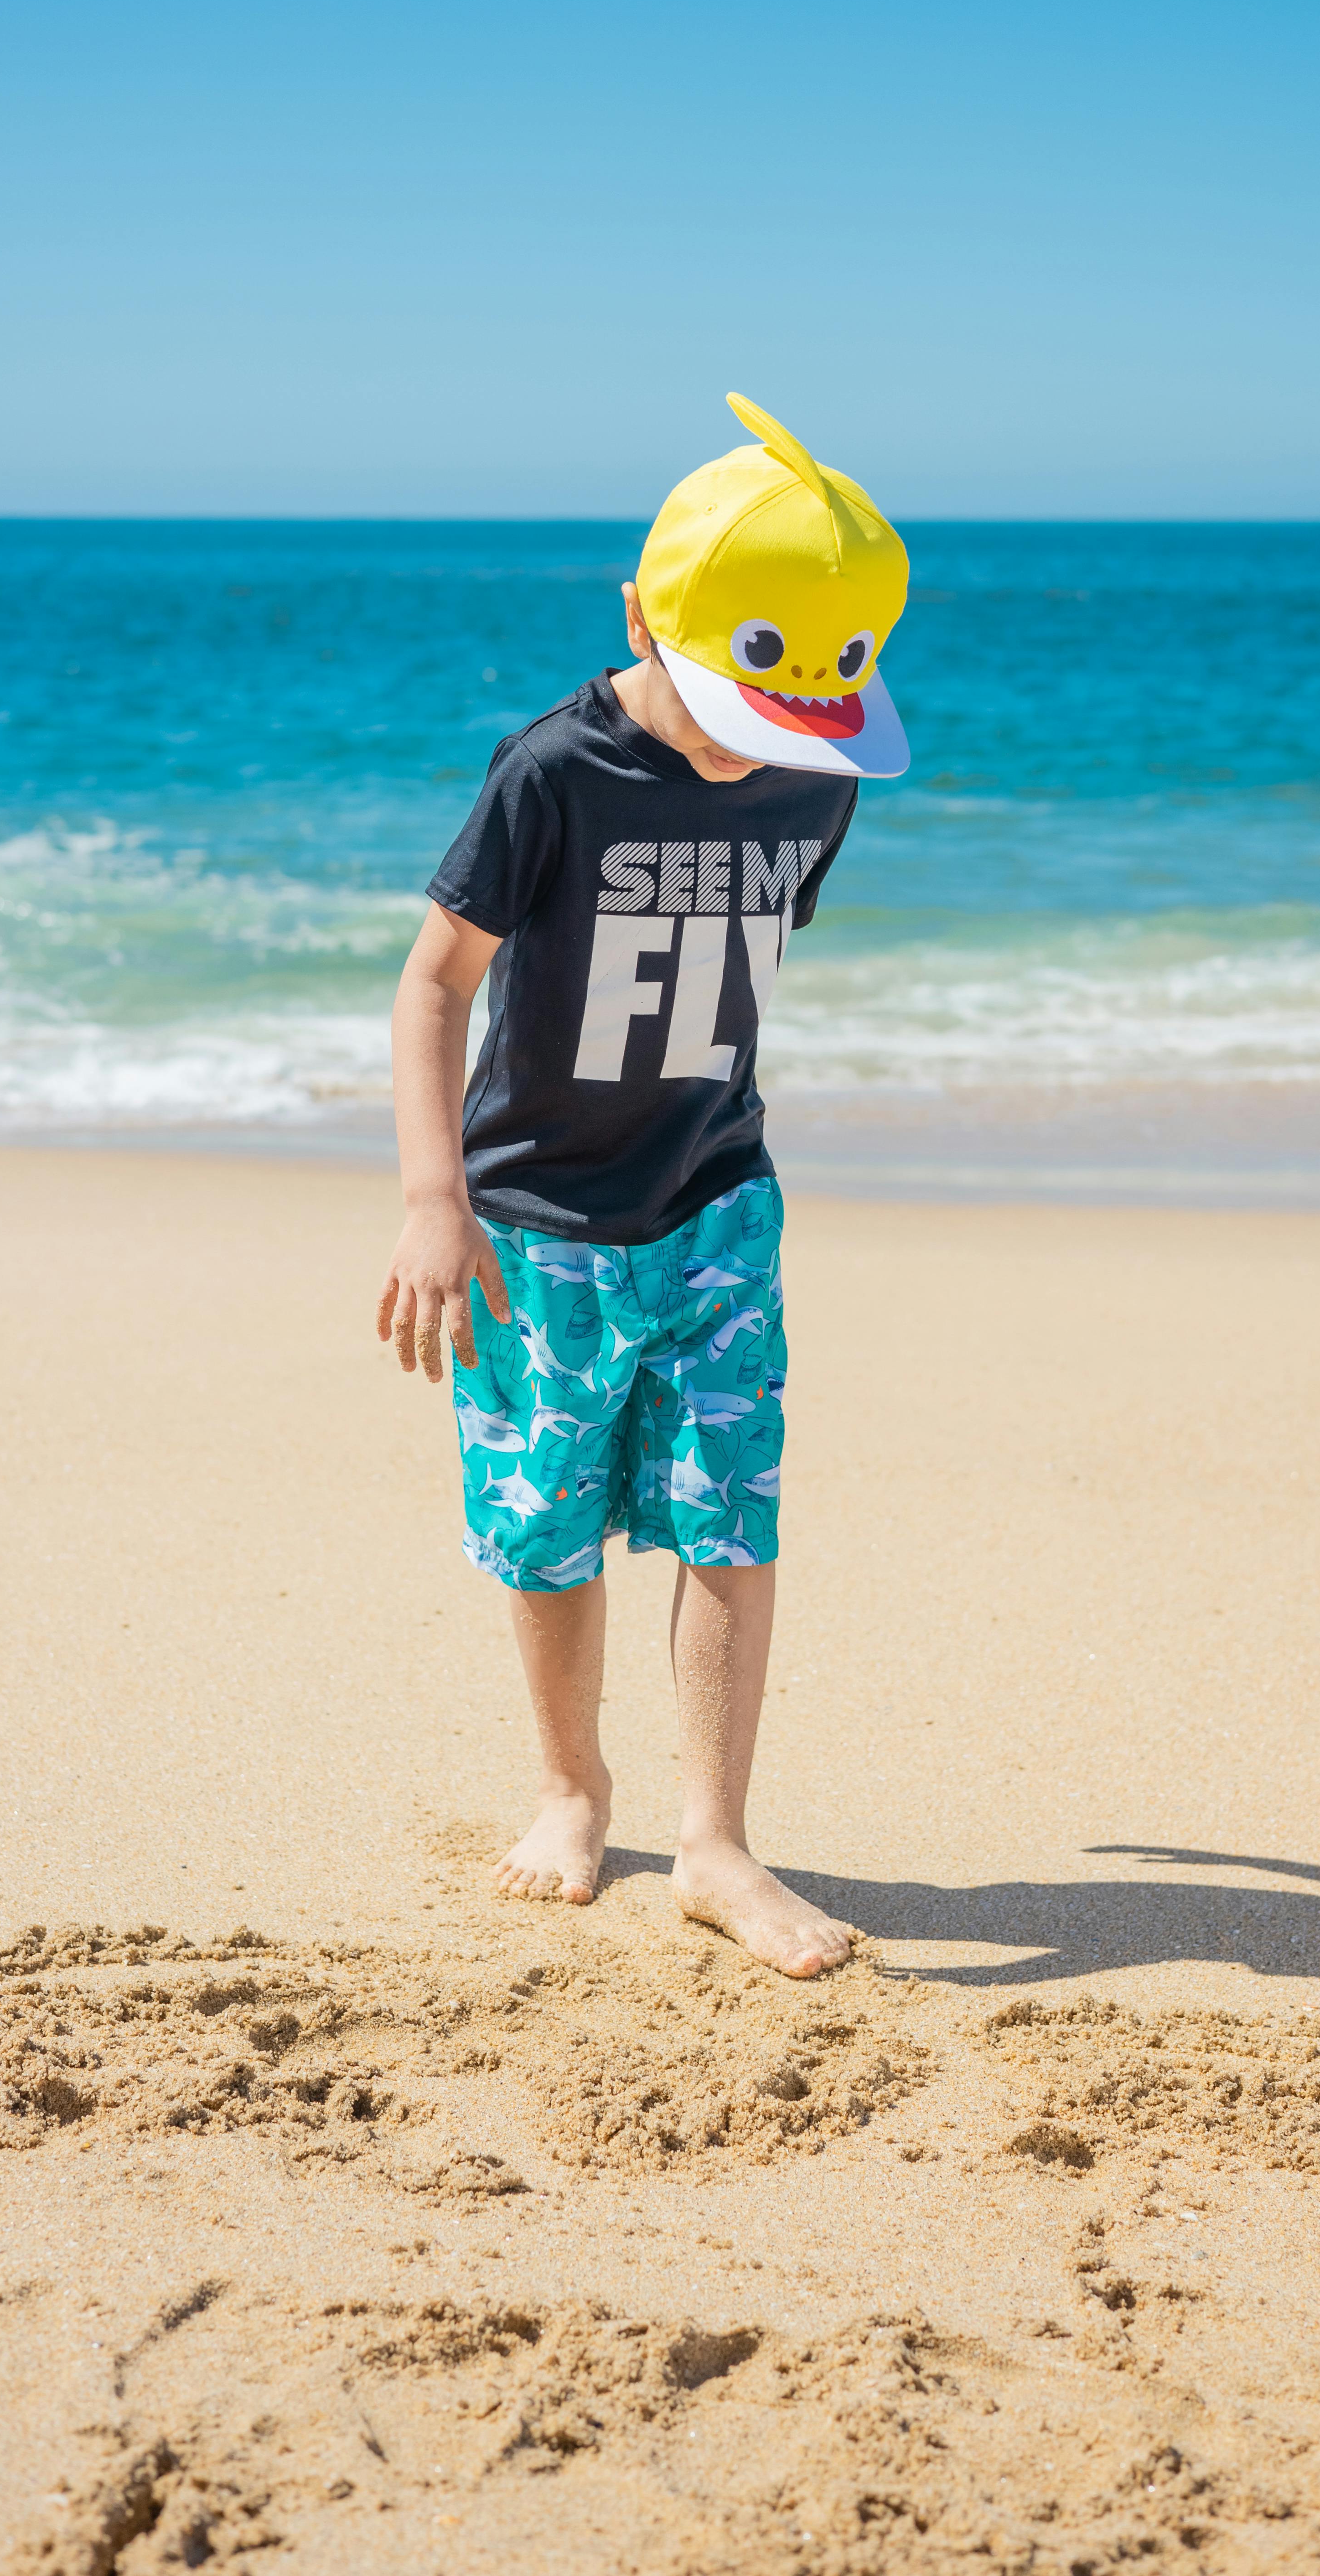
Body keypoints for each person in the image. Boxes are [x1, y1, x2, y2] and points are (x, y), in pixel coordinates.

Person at [376, 394, 911, 1977]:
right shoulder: (551, 771)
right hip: (536, 1225)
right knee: (546, 1526)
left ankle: (716, 1842)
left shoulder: (819, 772)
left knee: (727, 1514)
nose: (764, 755)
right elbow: (433, 983)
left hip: (719, 1200)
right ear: (642, 619)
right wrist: (431, 1196)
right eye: (737, 712)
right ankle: (569, 1787)